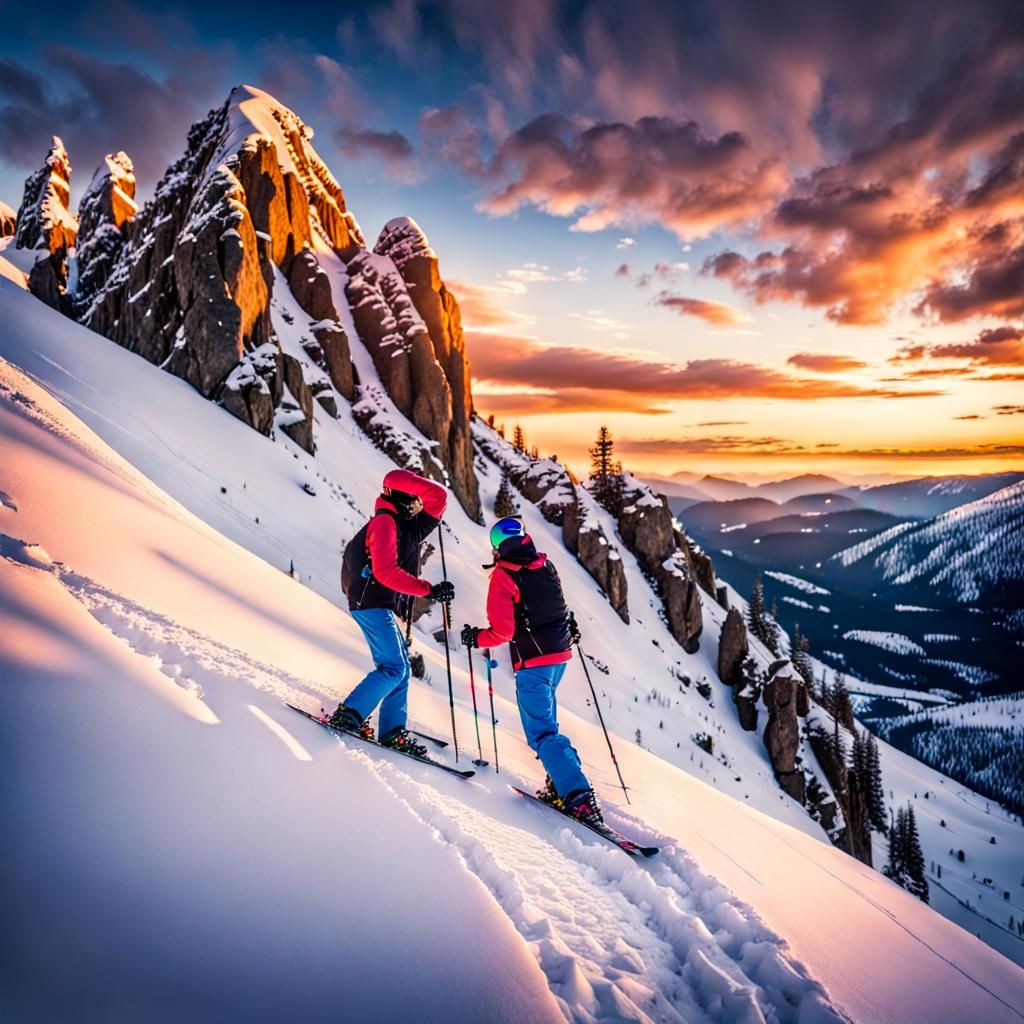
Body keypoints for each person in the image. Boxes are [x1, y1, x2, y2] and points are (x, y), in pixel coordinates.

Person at [461, 518, 602, 825]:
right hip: (560, 656)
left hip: (534, 660)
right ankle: (561, 782)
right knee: (547, 727)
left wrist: (476, 638)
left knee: (542, 733)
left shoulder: (504, 575)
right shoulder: (546, 566)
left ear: (498, 548)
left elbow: (502, 631)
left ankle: (578, 798)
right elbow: (558, 607)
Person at [333, 469, 454, 755]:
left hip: (376, 603)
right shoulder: (386, 523)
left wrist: (405, 482)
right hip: (370, 602)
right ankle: (348, 715)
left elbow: (438, 498)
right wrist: (428, 590)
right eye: (412, 500)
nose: (417, 506)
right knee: (393, 667)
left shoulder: (407, 526)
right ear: (400, 499)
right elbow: (385, 572)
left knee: (402, 669)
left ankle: (391, 731)